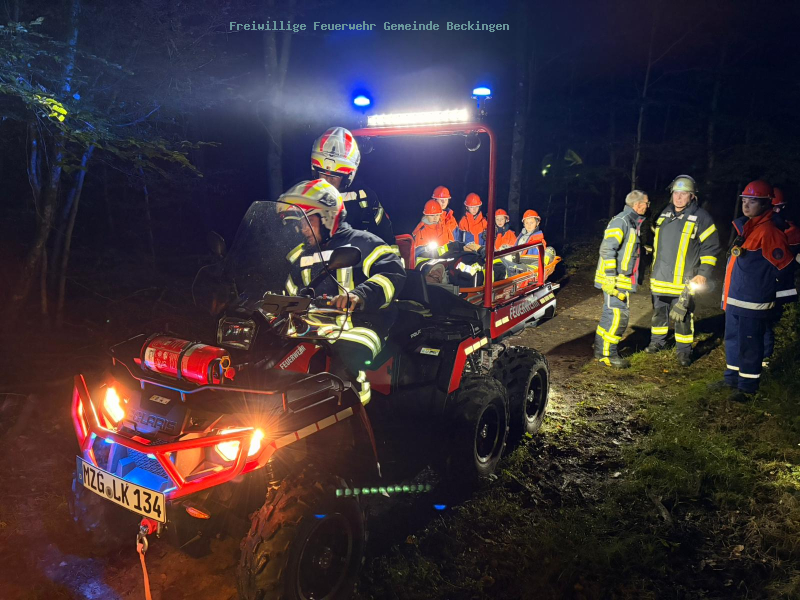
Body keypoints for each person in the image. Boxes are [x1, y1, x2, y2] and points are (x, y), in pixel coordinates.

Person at [279, 179, 406, 403]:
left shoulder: (364, 242)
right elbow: (288, 293)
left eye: (307, 221)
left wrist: (360, 295)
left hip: (365, 323)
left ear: (328, 216)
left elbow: (392, 274)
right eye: (299, 224)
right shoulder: (300, 256)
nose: (301, 229)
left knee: (345, 358)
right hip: (316, 328)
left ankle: (353, 415)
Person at [716, 180, 795, 401]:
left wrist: (766, 288)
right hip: (735, 299)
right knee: (732, 339)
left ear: (765, 204)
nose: (746, 205)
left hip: (753, 302)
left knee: (750, 343)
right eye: (744, 200)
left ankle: (747, 388)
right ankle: (731, 378)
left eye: (753, 201)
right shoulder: (748, 227)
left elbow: (785, 265)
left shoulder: (768, 231)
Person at [646, 175, 721, 366]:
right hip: (660, 278)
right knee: (658, 313)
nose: (679, 198)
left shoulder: (702, 218)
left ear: (692, 196)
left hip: (683, 281)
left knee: (683, 316)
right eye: (676, 193)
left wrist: (703, 273)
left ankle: (684, 352)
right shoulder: (663, 215)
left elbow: (711, 248)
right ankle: (657, 343)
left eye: (684, 194)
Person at [593, 190, 649, 368]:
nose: (648, 206)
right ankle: (608, 354)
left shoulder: (630, 222)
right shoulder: (622, 221)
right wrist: (610, 277)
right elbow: (607, 249)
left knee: (610, 314)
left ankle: (600, 351)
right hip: (615, 279)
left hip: (620, 279)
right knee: (618, 316)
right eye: (646, 203)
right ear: (638, 205)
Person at [311, 127, 394, 243]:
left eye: (335, 175)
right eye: (322, 173)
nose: (327, 180)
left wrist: (392, 259)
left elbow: (385, 236)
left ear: (348, 176)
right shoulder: (303, 195)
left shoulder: (365, 196)